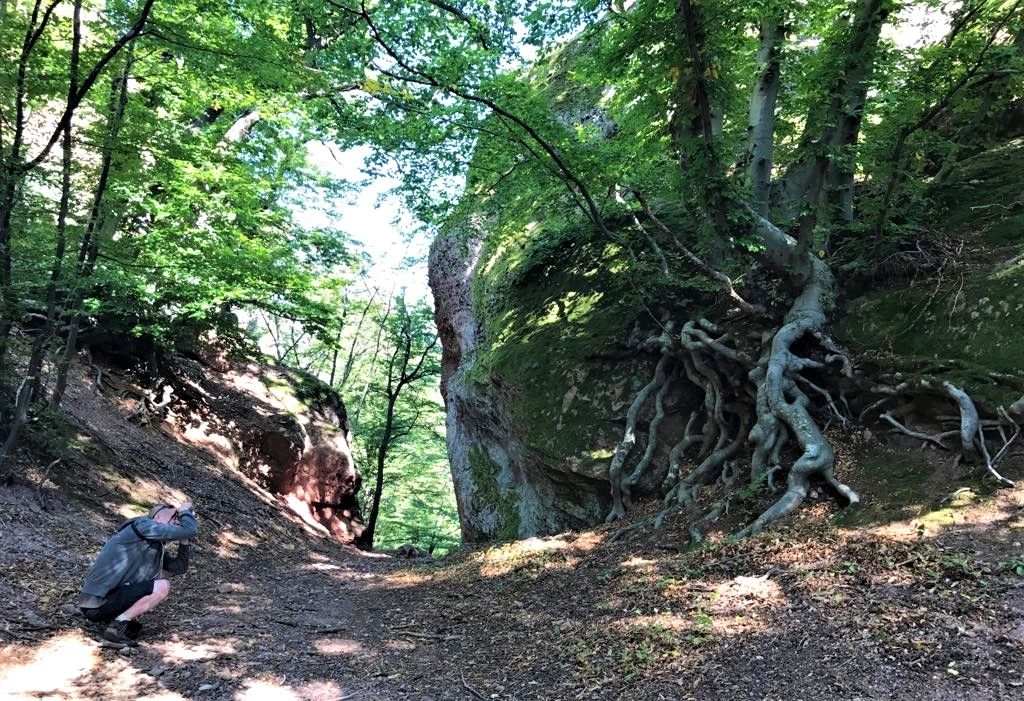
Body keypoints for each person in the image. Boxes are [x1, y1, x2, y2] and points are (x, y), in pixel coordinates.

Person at [77, 502, 198, 647]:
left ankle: (118, 621)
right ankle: (116, 627)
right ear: (157, 516)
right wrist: (185, 511)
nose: (176, 521)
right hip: (95, 604)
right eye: (174, 516)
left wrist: (184, 541)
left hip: (106, 603)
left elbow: (179, 567)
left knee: (159, 584)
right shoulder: (142, 525)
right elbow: (190, 529)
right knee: (162, 586)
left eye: (178, 518)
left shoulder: (155, 546)